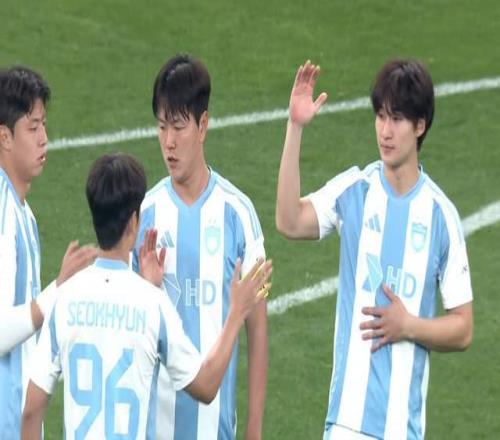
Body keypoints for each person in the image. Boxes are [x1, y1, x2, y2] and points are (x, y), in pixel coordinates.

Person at [275, 59, 473, 440]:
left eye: (396, 119)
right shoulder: (355, 191)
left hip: (401, 430)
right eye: (380, 116)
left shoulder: (441, 216)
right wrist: (295, 128)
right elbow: (288, 220)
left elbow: (463, 328)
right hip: (345, 424)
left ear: (420, 125)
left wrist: (409, 325)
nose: (385, 131)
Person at [21, 152, 272, 439]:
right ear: (134, 221)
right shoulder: (153, 305)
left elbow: (31, 411)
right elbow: (205, 386)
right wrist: (236, 313)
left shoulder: (64, 298)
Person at [131, 54, 268, 440]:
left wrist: (254, 429)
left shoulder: (238, 214)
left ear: (203, 125)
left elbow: (257, 328)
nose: (169, 142)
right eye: (162, 127)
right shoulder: (145, 215)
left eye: (179, 127)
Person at [0, 66, 96, 439]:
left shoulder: (22, 213)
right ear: (5, 137)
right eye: (33, 127)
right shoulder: (3, 213)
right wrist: (58, 290)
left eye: (44, 126)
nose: (44, 139)